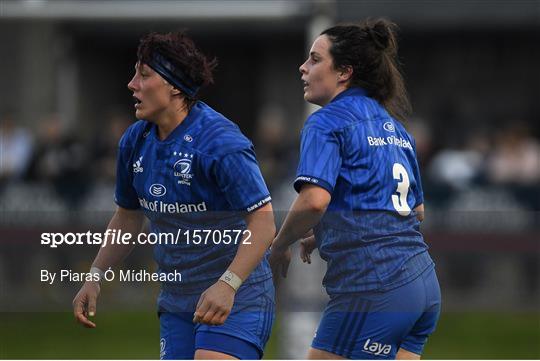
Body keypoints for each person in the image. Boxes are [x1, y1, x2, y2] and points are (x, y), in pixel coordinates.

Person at [72, 31, 276, 360]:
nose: (131, 84)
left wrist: (228, 284)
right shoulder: (134, 142)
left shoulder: (221, 143)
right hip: (177, 301)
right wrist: (95, 277)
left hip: (238, 296)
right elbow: (127, 216)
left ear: (174, 85)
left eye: (144, 75)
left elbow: (264, 223)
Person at [269, 19, 441, 360]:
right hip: (423, 285)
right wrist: (328, 232)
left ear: (344, 72)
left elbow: (314, 201)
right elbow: (412, 211)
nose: (303, 67)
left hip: (373, 287)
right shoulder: (396, 128)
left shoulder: (326, 121)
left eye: (316, 59)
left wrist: (279, 244)